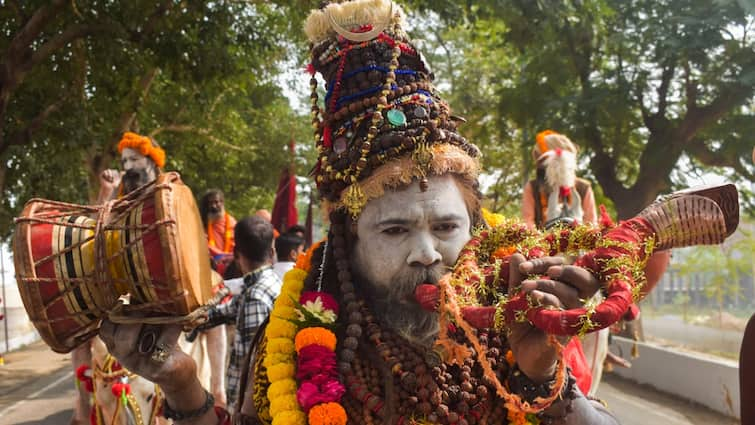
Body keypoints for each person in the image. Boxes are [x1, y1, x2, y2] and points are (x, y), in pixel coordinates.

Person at [97, 2, 620, 424]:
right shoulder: (294, 345)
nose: (426, 253)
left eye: (446, 226)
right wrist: (184, 383)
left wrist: (544, 385)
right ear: (347, 238)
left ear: (475, 228)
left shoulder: (522, 325)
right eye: (394, 228)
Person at [193, 216, 281, 409]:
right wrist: (192, 319)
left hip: (249, 409)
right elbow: (224, 312)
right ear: (272, 252)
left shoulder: (255, 297)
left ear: (235, 253)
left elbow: (254, 369)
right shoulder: (265, 284)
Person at [521, 130, 597, 229]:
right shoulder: (532, 187)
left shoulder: (583, 187)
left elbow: (591, 224)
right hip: (541, 242)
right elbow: (528, 222)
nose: (539, 165)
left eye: (542, 160)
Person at [200, 189, 238, 276]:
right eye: (210, 203)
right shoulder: (202, 224)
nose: (214, 206)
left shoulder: (232, 223)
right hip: (209, 267)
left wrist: (223, 257)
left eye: (216, 202)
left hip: (231, 267)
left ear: (222, 203)